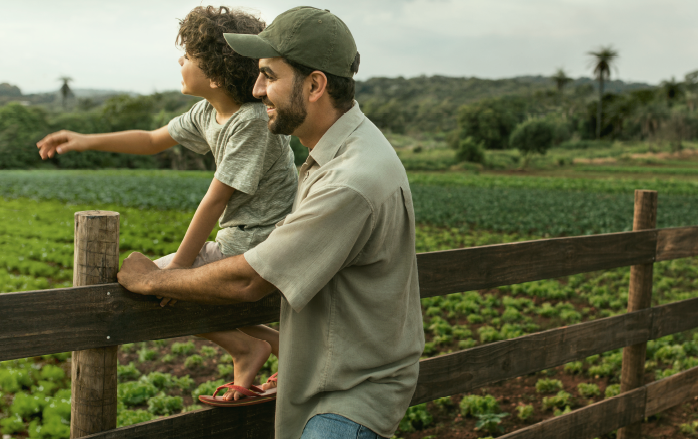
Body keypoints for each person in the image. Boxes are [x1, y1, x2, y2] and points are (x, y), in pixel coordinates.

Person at [117, 6, 424, 439]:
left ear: (315, 85)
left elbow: (250, 281)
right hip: (330, 381)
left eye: (269, 75)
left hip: (347, 399)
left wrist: (153, 280)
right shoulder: (345, 149)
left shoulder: (350, 181)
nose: (257, 89)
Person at [35, 6, 297, 406]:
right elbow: (152, 139)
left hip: (261, 242)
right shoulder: (210, 112)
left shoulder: (251, 122)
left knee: (151, 284)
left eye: (188, 57)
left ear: (214, 74)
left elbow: (215, 199)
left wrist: (177, 269)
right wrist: (84, 139)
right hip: (244, 238)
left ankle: (246, 349)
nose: (180, 61)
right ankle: (273, 347)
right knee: (170, 287)